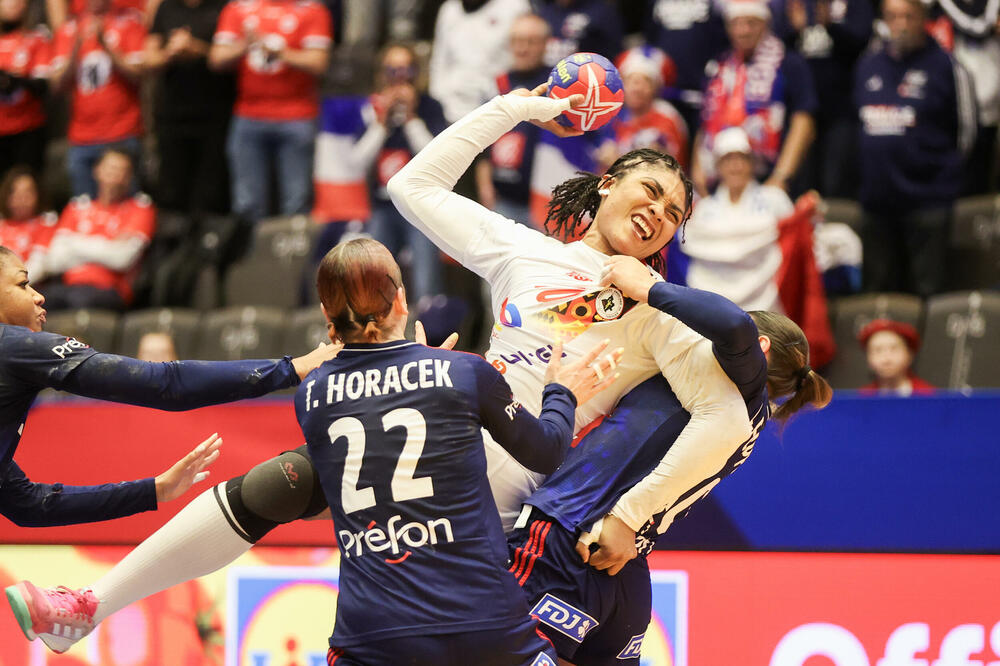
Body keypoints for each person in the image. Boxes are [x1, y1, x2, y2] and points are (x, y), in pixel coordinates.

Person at [4, 87, 815, 656]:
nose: (659, 214)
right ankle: (87, 606)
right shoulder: (525, 252)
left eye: (674, 213)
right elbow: (411, 184)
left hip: (513, 500)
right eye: (650, 192)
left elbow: (725, 418)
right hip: (448, 435)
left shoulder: (659, 311)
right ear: (607, 185)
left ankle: (89, 607)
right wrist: (521, 106)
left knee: (304, 490)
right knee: (283, 481)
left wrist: (634, 515)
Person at [301, 238, 619, 666]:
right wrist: (561, 393)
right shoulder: (463, 372)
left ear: (327, 314)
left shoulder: (311, 394)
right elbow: (546, 452)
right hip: (484, 623)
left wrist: (423, 389)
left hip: (371, 633)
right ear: (402, 301)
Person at [853, 0, 976, 297]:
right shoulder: (867, 64)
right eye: (894, 16)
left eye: (909, 16)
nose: (902, 24)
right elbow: (858, 125)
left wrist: (940, 174)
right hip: (877, 203)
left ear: (924, 18)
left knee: (927, 293)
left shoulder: (948, 66)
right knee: (879, 296)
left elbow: (967, 133)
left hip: (928, 203)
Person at [209, 0, 332, 222]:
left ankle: (292, 245)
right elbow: (216, 58)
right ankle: (249, 245)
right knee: (247, 202)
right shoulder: (239, 8)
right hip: (248, 114)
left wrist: (279, 52)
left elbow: (319, 62)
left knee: (296, 201)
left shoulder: (311, 10)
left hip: (297, 115)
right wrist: (246, 44)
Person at [353, 43, 448, 308]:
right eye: (392, 71)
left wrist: (411, 118)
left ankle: (429, 327)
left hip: (419, 208)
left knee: (426, 282)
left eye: (406, 70)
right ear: (382, 74)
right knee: (375, 280)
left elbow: (436, 156)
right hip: (383, 207)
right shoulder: (371, 107)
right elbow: (357, 161)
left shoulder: (430, 107)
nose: (399, 78)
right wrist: (381, 124)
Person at [692, 0, 818, 195]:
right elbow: (705, 122)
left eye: (751, 23)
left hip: (769, 181)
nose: (743, 31)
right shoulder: (717, 66)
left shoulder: (788, 63)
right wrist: (698, 172)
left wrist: (781, 177)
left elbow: (803, 122)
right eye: (736, 24)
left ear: (765, 24)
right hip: (720, 183)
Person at [679, 126, 794, 312]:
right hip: (715, 307)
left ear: (752, 163)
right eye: (728, 159)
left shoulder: (774, 199)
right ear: (718, 166)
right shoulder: (702, 209)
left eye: (742, 158)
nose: (736, 166)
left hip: (769, 303)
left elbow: (795, 241)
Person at [145, 0, 234, 215]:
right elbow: (149, 58)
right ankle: (175, 235)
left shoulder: (223, 7)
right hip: (172, 114)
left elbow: (230, 57)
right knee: (172, 190)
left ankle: (209, 235)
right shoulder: (167, 7)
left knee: (211, 192)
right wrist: (171, 52)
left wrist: (197, 48)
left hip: (216, 113)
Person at [49, 0, 146, 198]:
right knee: (84, 207)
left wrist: (106, 45)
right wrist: (75, 49)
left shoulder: (130, 23)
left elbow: (138, 74)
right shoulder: (68, 29)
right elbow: (56, 85)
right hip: (82, 137)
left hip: (123, 132)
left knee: (127, 207)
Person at [38, 149, 153, 310]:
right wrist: (108, 246)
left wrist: (74, 244)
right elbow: (55, 260)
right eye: (111, 168)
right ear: (97, 170)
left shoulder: (140, 209)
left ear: (129, 177)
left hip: (110, 289)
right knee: (35, 301)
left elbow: (122, 259)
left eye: (122, 170)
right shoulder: (77, 207)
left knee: (79, 301)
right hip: (69, 285)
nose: (115, 175)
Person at [475, 12, 553, 225]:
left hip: (546, 202)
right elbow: (483, 141)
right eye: (517, 41)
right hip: (502, 200)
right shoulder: (497, 84)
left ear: (546, 44)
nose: (522, 48)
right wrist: (484, 186)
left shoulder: (557, 85)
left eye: (530, 41)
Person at [597, 45, 688, 171]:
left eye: (645, 82)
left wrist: (616, 162)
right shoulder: (616, 116)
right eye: (631, 81)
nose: (637, 89)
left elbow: (659, 170)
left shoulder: (666, 119)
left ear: (656, 88)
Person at [0, 0, 50, 179]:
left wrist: (14, 80)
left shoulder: (36, 39)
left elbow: (43, 86)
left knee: (28, 183)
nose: (14, 4)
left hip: (28, 128)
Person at [0, 168, 57, 282]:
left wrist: (10, 286)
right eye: (15, 192)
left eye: (27, 192)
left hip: (29, 286)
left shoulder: (46, 224)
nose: (21, 198)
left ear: (38, 195)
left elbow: (38, 266)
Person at [857, 318, 933, 396]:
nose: (886, 359)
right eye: (878, 350)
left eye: (894, 349)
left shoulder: (927, 395)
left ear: (909, 355)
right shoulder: (863, 397)